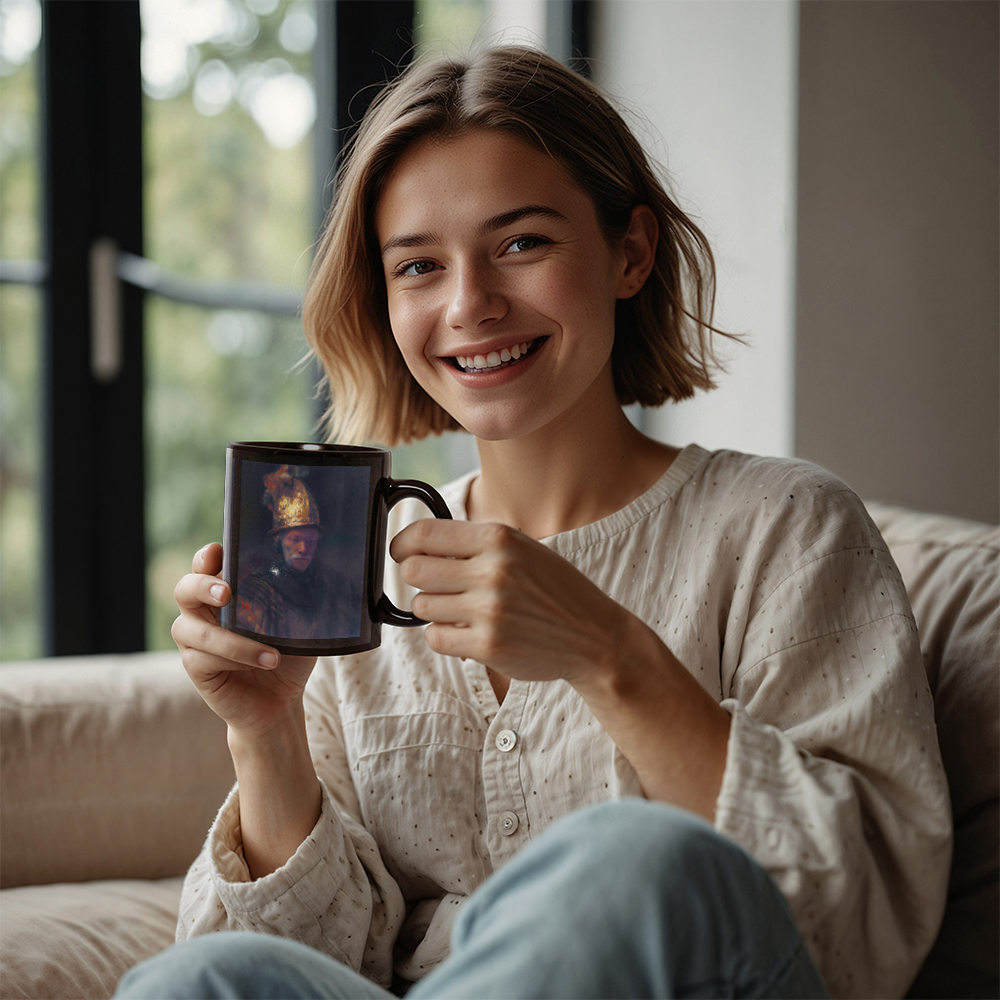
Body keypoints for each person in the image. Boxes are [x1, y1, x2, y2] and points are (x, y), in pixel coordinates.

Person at [118, 46, 951, 1000]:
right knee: (215, 975)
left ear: (630, 253)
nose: (469, 305)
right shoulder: (363, 580)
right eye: (419, 266)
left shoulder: (787, 529)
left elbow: (867, 924)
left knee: (637, 862)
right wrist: (266, 737)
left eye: (522, 244)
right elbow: (328, 972)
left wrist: (610, 656)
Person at [235, 465, 362, 640]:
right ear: (278, 540)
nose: (303, 549)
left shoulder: (331, 584)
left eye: (310, 541)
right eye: (294, 540)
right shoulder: (255, 590)